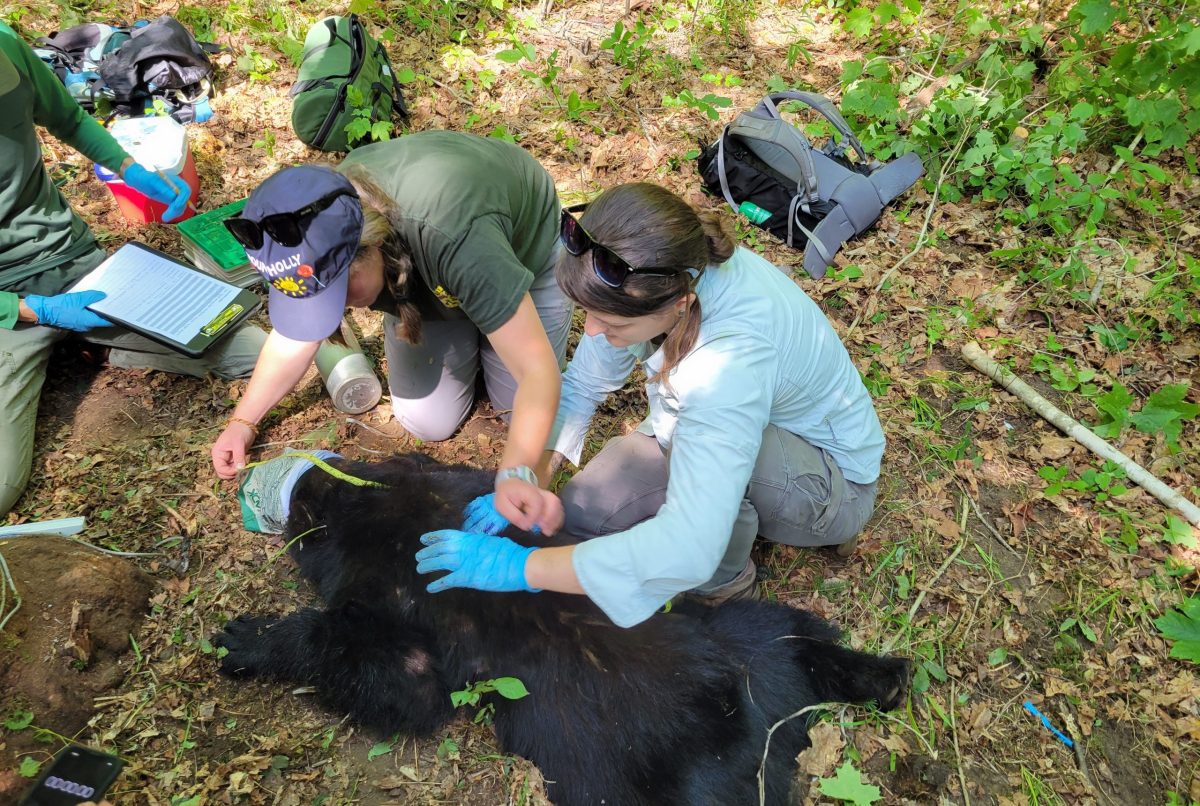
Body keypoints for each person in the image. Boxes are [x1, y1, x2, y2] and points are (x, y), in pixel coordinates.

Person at [415, 182, 886, 628]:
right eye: (588, 315)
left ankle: (726, 589)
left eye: (611, 324)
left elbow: (689, 546)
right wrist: (530, 476)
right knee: (580, 517)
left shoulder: (728, 364)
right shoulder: (657, 267)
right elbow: (583, 384)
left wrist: (524, 569)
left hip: (832, 484)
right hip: (717, 428)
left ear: (679, 304)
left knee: (690, 501)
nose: (592, 332)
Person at [210, 132, 573, 532]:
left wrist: (515, 475)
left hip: (521, 253)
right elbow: (294, 339)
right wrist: (243, 422)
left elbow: (538, 373)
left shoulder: (453, 236)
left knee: (520, 413)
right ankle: (477, 314)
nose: (338, 308)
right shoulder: (311, 230)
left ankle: (489, 312)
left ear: (375, 245)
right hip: (438, 267)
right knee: (427, 420)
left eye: (338, 293)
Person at [0, 23, 266, 517]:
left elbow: (68, 119)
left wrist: (131, 169)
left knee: (255, 351)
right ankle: (77, 342)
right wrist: (31, 311)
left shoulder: (5, 45)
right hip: (6, 308)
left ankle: (101, 346)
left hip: (73, 262)